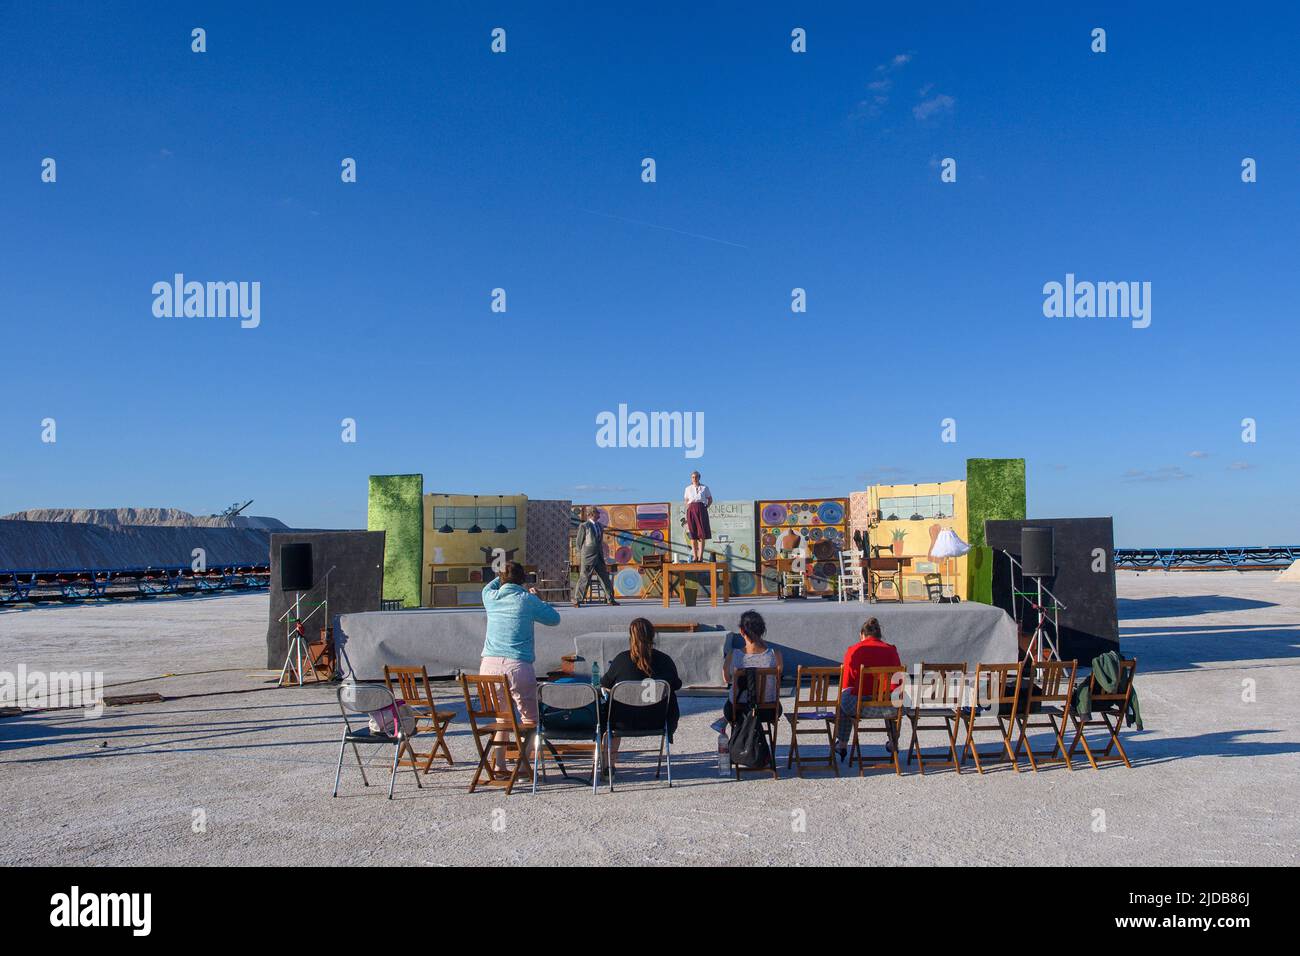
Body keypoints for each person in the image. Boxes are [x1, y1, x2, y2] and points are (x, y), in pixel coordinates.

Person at [480, 561, 561, 773]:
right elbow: (554, 619)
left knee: (502, 718)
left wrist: (501, 576)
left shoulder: (490, 597)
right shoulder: (527, 600)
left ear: (501, 579)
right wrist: (537, 599)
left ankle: (499, 765)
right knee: (530, 719)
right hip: (518, 664)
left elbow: (489, 586)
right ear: (523, 580)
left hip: (488, 666)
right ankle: (524, 766)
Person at [600, 618, 682, 768]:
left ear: (630, 637)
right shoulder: (665, 660)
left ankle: (607, 766)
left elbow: (605, 684)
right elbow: (676, 685)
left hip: (622, 722)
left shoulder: (621, 660)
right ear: (653, 636)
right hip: (656, 720)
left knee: (611, 710)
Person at [834, 617, 903, 762]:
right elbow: (898, 682)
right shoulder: (891, 650)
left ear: (862, 635)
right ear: (879, 635)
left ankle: (842, 744)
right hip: (889, 708)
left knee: (843, 698)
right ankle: (893, 742)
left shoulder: (854, 650)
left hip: (861, 707)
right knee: (894, 698)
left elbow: (847, 683)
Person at [721, 609, 783, 728]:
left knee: (729, 707)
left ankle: (739, 737)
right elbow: (778, 677)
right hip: (769, 710)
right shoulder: (776, 655)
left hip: (738, 710)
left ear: (742, 631)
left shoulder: (733, 655)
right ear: (762, 630)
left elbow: (727, 679)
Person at [573, 506, 618, 606]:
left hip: (599, 556)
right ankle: (578, 600)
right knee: (584, 578)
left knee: (604, 577)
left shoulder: (599, 526)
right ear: (592, 514)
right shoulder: (584, 526)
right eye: (597, 513)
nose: (599, 515)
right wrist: (580, 556)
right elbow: (579, 543)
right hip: (588, 556)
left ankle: (610, 599)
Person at [683, 471, 713, 562]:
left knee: (701, 534)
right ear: (691, 478)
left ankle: (700, 556)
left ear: (699, 477)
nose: (694, 479)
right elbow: (686, 500)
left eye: (696, 477)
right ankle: (695, 556)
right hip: (691, 509)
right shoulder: (688, 488)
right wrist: (688, 508)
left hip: (701, 509)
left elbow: (710, 499)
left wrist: (706, 507)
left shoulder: (704, 487)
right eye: (692, 477)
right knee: (693, 534)